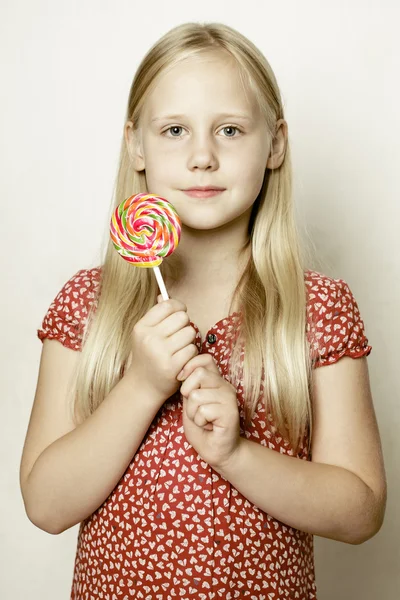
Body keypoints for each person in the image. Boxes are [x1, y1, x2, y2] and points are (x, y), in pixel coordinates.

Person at [19, 21, 387, 600]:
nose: (202, 157)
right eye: (174, 130)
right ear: (136, 145)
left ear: (276, 144)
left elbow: (361, 510)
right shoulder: (89, 306)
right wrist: (141, 385)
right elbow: (45, 504)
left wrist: (235, 455)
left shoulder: (318, 308)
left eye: (231, 130)